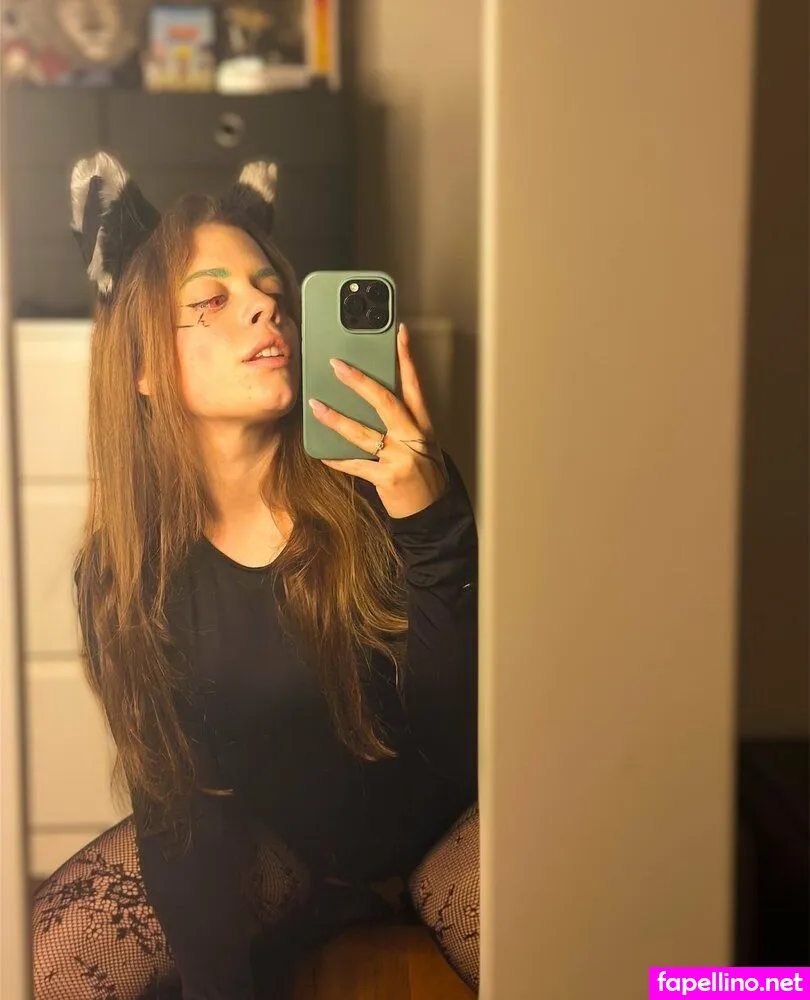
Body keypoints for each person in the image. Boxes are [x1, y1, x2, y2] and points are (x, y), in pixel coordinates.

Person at [31, 153, 479, 1000]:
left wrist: (431, 522)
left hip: (445, 831)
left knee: (645, 956)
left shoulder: (390, 487)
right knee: (50, 958)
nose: (266, 305)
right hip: (284, 855)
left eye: (270, 290)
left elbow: (462, 738)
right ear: (143, 367)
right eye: (211, 300)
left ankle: (750, 985)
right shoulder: (126, 573)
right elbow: (180, 809)